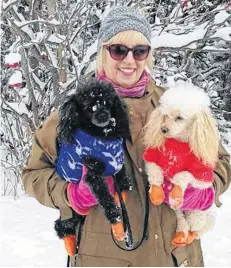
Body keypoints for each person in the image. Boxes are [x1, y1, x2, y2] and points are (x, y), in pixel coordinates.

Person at [22, 6, 231, 267]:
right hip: (104, 257)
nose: (129, 60)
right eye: (118, 49)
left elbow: (220, 159)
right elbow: (33, 174)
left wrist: (205, 189)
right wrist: (70, 194)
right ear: (102, 51)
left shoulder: (175, 106)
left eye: (139, 50)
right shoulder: (77, 110)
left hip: (175, 255)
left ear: (148, 55)